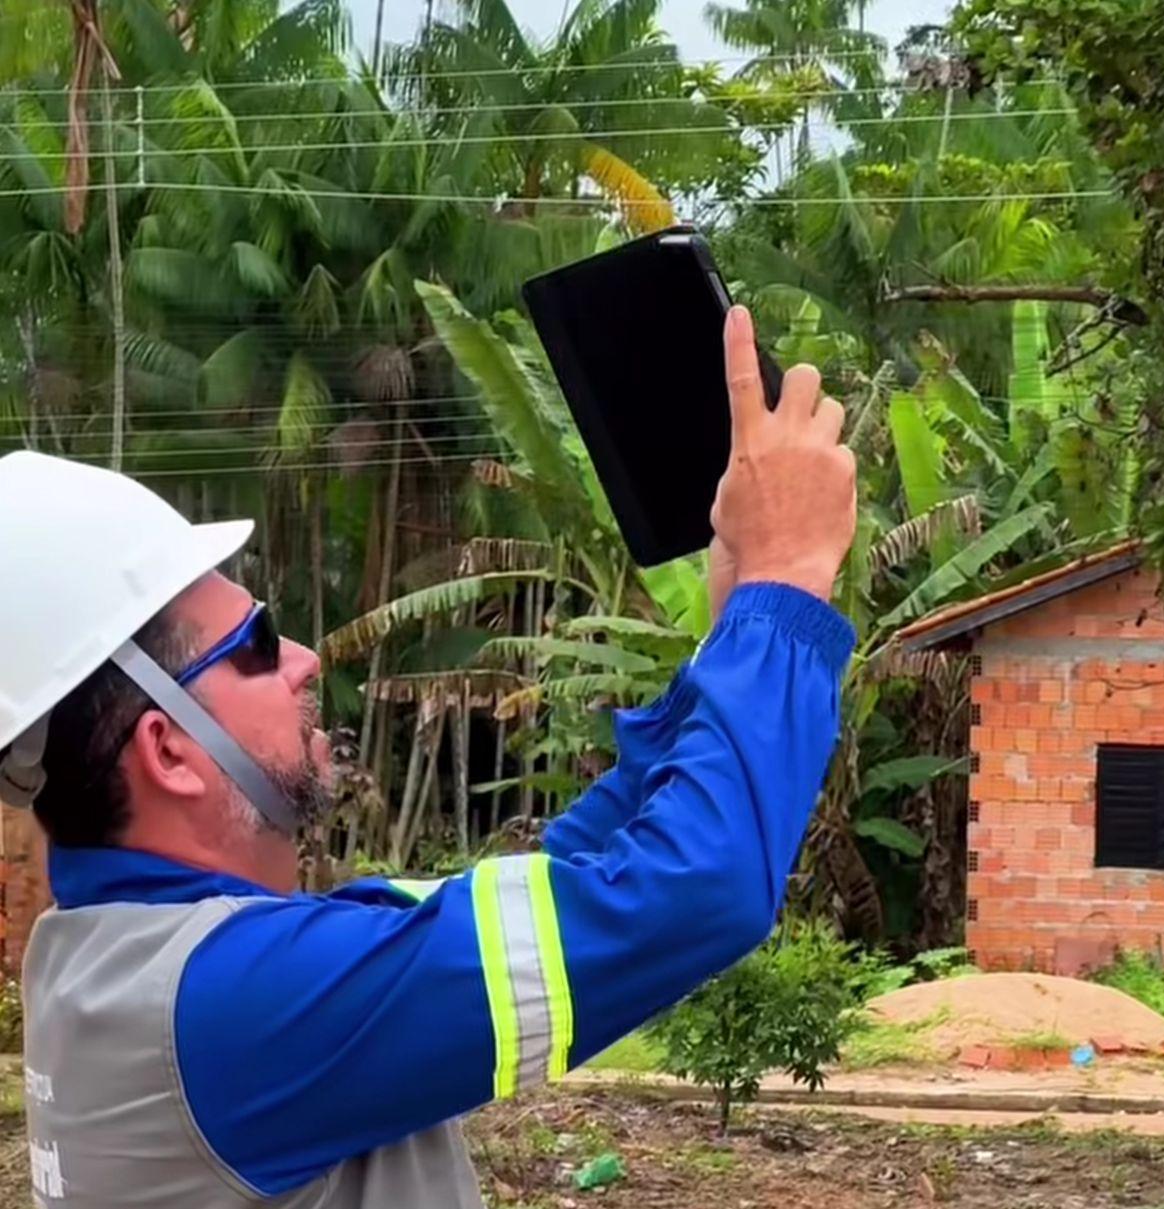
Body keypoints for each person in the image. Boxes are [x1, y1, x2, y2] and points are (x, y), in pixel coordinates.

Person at [3, 306, 857, 1208]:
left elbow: (567, 879)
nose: (303, 659)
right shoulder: (230, 1008)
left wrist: (733, 639)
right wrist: (786, 577)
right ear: (168, 749)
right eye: (257, 643)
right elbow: (689, 893)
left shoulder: (115, 962)